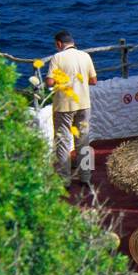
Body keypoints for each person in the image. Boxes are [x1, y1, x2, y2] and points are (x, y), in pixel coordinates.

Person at [45, 31, 97, 187]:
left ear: (59, 44)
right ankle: (86, 178)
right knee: (83, 140)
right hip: (84, 104)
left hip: (64, 105)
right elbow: (93, 80)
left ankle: (64, 180)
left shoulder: (57, 57)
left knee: (63, 142)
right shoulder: (85, 56)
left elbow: (49, 82)